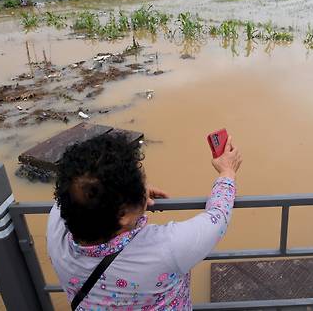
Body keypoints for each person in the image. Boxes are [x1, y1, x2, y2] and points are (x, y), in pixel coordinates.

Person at [47, 132, 242, 310]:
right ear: (122, 215)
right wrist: (227, 172)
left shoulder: (56, 231)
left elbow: (78, 193)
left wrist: (128, 196)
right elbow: (217, 218)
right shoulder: (165, 249)